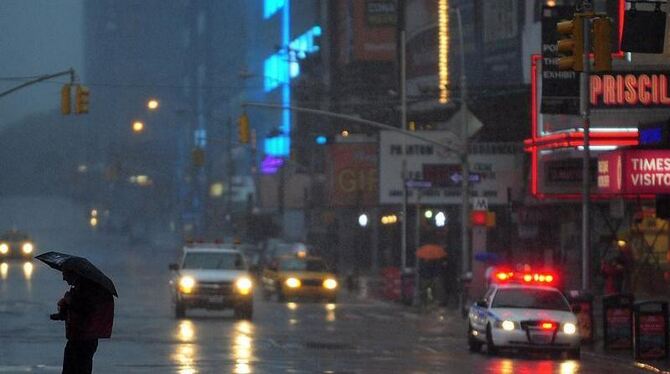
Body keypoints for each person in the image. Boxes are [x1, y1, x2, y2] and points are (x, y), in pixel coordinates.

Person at [51, 270, 114, 374]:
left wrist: (70, 301)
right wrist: (63, 312)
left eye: (65, 274)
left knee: (79, 368)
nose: (64, 278)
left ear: (74, 274)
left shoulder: (89, 291)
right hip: (77, 337)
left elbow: (86, 310)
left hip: (84, 338)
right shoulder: (78, 289)